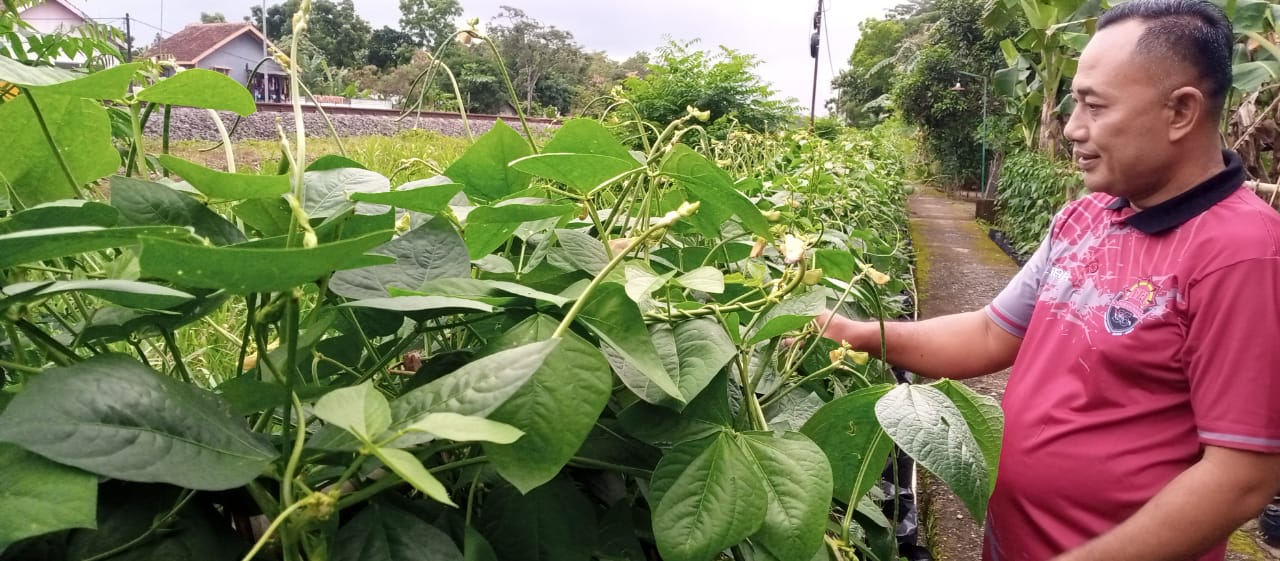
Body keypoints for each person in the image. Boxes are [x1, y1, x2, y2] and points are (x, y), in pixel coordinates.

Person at [816, 1, 1280, 560]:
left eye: (1094, 106)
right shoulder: (1087, 217)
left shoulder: (1244, 254)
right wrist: (860, 334)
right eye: (1073, 103)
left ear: (1181, 111)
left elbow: (1242, 475)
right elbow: (990, 333)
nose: (1073, 128)